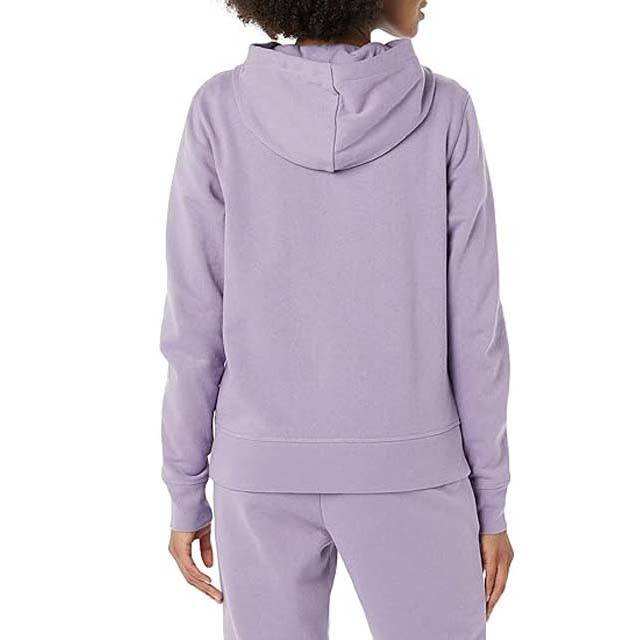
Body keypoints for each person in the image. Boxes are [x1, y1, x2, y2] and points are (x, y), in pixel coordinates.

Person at [161, 0, 514, 637]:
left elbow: (193, 326)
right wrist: (490, 503)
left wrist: (186, 491)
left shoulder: (219, 110)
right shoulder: (445, 112)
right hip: (413, 470)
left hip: (260, 474)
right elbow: (475, 330)